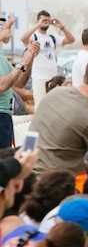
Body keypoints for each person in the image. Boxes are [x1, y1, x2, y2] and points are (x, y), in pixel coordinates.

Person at [20, 10, 75, 107]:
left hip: (53, 78)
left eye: (47, 20)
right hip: (40, 78)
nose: (45, 22)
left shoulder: (52, 38)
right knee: (40, 106)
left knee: (54, 106)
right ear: (37, 21)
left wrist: (62, 27)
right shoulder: (35, 36)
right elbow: (24, 38)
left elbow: (71, 40)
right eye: (43, 20)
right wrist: (38, 25)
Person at [0, 17, 39, 148]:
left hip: (5, 116)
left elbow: (19, 82)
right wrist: (22, 63)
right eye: (4, 26)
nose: (7, 30)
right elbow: (2, 85)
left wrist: (29, 58)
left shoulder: (2, 56)